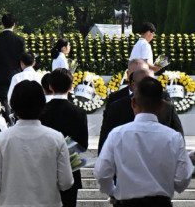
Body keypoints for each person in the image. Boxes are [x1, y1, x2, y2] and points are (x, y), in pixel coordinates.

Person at [95, 77, 193, 207]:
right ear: (162, 105)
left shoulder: (117, 134)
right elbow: (183, 178)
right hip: (160, 203)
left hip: (126, 203)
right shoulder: (173, 137)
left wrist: (112, 191)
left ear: (133, 102)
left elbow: (102, 173)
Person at [0, 80, 74, 206]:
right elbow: (66, 181)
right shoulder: (56, 138)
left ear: (13, 105)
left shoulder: (2, 139)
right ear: (42, 104)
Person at [98, 68, 183, 153]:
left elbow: (179, 140)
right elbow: (104, 141)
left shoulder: (167, 108)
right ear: (132, 84)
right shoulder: (116, 108)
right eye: (143, 84)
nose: (147, 87)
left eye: (150, 83)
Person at [39, 68, 88, 207]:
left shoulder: (41, 111)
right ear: (71, 87)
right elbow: (83, 145)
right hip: (71, 170)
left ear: (50, 86)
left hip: (45, 172)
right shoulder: (79, 113)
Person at [0, 14, 26, 116]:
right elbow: (23, 58)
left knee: (4, 101)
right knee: (17, 99)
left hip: (1, 74)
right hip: (16, 73)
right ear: (14, 24)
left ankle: (8, 120)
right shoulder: (20, 39)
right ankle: (16, 118)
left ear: (2, 24)